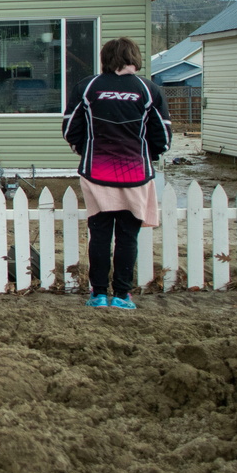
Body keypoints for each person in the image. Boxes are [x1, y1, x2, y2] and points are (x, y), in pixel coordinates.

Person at [62, 37, 171, 309]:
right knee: (127, 237)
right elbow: (163, 137)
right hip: (136, 175)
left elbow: (70, 130)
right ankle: (122, 295)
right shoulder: (149, 90)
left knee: (99, 235)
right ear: (135, 57)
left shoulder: (87, 87)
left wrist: (86, 150)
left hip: (96, 172)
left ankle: (98, 294)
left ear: (105, 58)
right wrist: (147, 156)